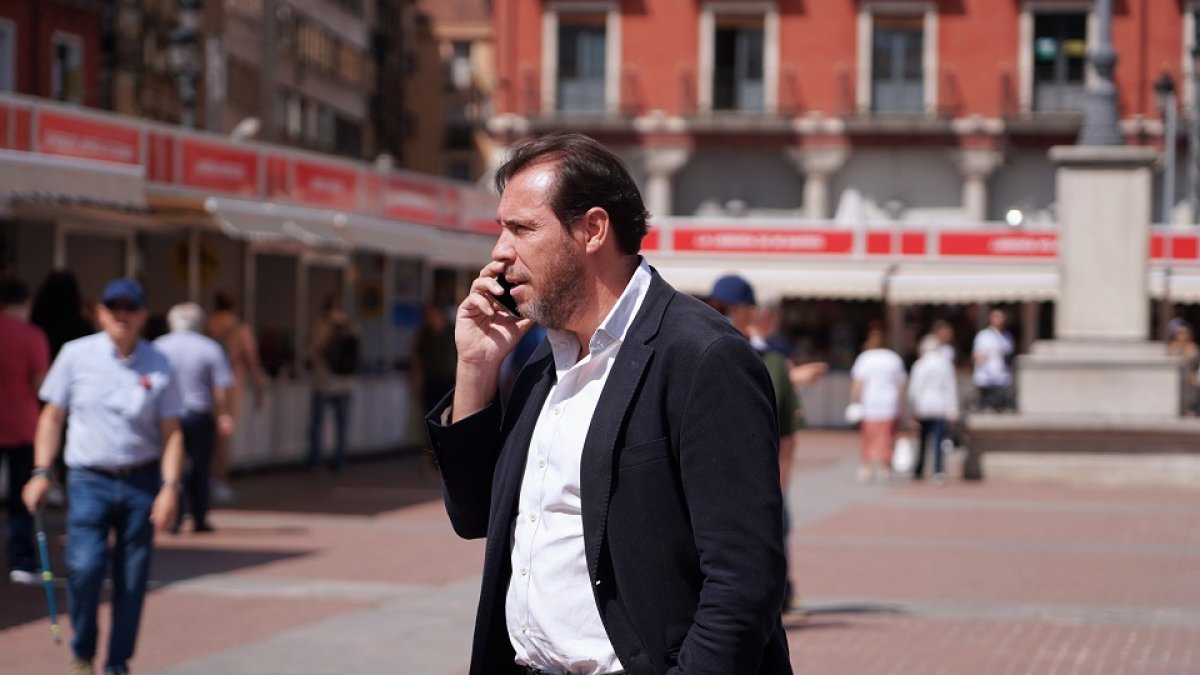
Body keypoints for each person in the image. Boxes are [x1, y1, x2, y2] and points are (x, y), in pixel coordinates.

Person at [425, 132, 790, 674]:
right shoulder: (542, 365)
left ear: (593, 229)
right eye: (502, 229)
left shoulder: (702, 357)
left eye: (522, 229)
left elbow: (743, 581)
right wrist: (476, 367)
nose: (500, 252)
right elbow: (475, 515)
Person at [23, 278, 185, 675]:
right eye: (114, 307)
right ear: (100, 312)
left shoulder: (159, 362)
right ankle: (84, 651)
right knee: (85, 567)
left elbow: (172, 432)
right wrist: (42, 472)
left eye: (131, 308)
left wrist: (169, 488)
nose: (122, 315)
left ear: (144, 314)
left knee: (132, 578)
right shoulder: (75, 355)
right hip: (88, 480)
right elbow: (51, 418)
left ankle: (117, 663)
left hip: (141, 481)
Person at [707, 275, 801, 614]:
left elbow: (788, 429)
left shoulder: (771, 363)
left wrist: (781, 480)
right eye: (717, 307)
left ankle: (779, 598)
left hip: (758, 478)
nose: (723, 314)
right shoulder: (693, 352)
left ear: (750, 312)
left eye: (731, 308)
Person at [155, 303, 235, 532]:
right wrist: (223, 416)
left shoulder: (159, 346)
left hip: (168, 416)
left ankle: (174, 516)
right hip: (198, 415)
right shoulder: (210, 348)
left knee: (172, 468)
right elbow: (220, 390)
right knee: (199, 469)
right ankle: (198, 517)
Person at [0, 278, 50, 585]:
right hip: (23, 425)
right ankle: (20, 558)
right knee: (22, 498)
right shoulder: (33, 336)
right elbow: (41, 385)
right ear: (28, 304)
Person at [30, 270, 96, 505]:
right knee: (69, 439)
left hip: (40, 391)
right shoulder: (82, 325)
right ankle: (67, 488)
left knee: (44, 436)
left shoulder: (37, 322)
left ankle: (43, 482)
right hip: (74, 394)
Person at [204, 290, 266, 503]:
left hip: (208, 385)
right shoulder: (241, 329)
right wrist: (259, 387)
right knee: (224, 436)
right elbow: (252, 360)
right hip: (231, 385)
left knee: (207, 434)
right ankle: (219, 480)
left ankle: (206, 478)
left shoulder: (207, 325)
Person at [307, 295, 358, 472]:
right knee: (342, 426)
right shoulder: (351, 325)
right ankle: (340, 461)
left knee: (317, 425)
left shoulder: (320, 326)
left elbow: (312, 351)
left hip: (324, 382)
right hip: (346, 382)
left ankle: (316, 461)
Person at [849, 326, 907, 482]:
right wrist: (902, 405)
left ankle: (866, 466)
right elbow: (900, 385)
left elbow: (858, 383)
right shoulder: (893, 358)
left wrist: (854, 401)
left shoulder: (865, 358)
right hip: (889, 403)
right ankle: (884, 467)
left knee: (868, 436)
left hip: (870, 403)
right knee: (887, 437)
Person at [907, 335, 960, 484]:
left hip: (923, 406)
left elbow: (914, 389)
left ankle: (919, 470)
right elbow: (950, 387)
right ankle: (938, 471)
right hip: (940, 406)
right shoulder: (945, 364)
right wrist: (953, 408)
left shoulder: (920, 364)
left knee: (923, 440)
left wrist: (913, 408)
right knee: (938, 440)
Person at [972, 308, 1014, 412]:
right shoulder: (984, 336)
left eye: (1001, 317)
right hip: (986, 379)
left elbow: (1009, 356)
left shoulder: (1007, 336)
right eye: (996, 317)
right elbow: (977, 356)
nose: (999, 320)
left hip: (1002, 379)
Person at [1166, 323, 1200, 416]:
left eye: (1184, 333)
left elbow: (1193, 362)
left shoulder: (1193, 347)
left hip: (1190, 375)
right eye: (1180, 333)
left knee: (1192, 394)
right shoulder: (1172, 347)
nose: (1182, 336)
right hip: (1174, 378)